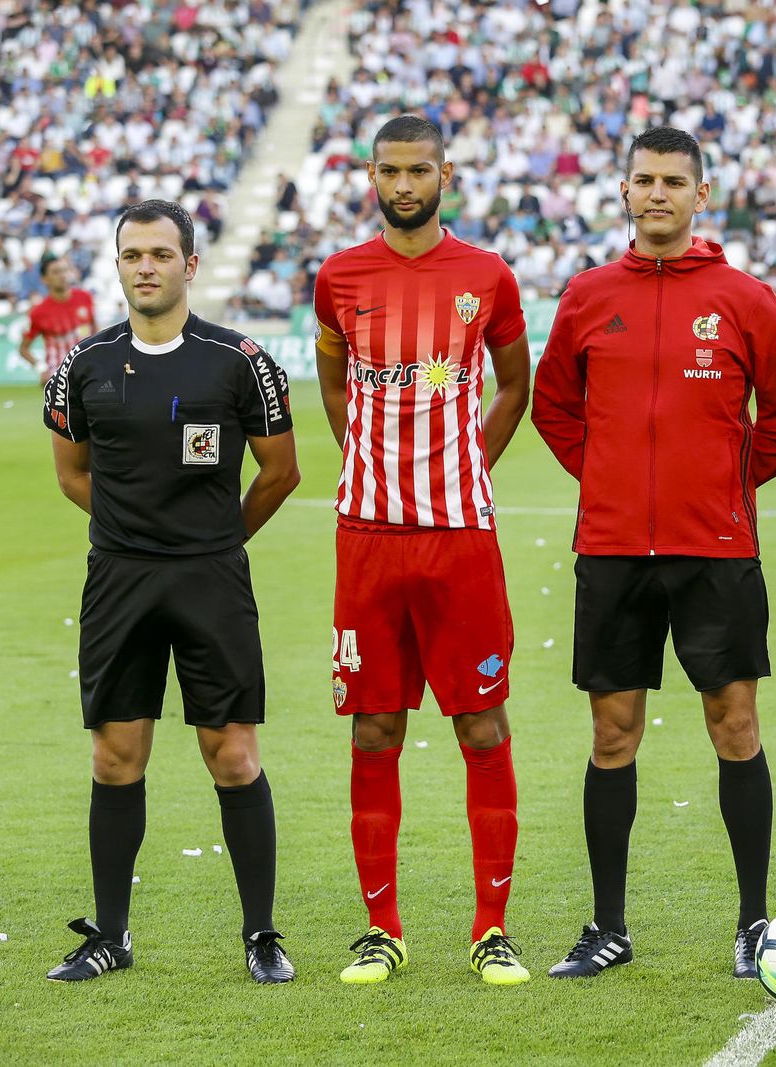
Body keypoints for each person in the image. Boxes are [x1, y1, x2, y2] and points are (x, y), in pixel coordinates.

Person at [532, 126, 776, 980]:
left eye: (673, 182)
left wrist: (726, 486)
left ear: (702, 195)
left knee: (734, 724)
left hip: (715, 550)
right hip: (614, 547)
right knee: (612, 732)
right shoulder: (587, 294)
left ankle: (753, 923)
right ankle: (607, 926)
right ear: (624, 193)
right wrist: (612, 479)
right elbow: (554, 408)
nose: (657, 194)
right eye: (643, 180)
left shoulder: (744, 297)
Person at [41, 199, 300, 984]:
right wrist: (138, 536)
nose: (145, 266)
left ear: (190, 265)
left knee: (233, 753)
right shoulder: (82, 366)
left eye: (160, 253)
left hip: (212, 578)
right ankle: (111, 935)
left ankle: (260, 935)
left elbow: (281, 471)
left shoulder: (240, 359)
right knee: (116, 756)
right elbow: (72, 475)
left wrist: (214, 542)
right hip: (119, 580)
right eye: (132, 254)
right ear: (117, 264)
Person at [312, 115, 533, 987]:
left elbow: (513, 380)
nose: (403, 185)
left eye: (418, 170)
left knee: (481, 721)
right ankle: (382, 927)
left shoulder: (487, 276)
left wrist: (469, 461)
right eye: (389, 171)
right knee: (375, 725)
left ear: (448, 173)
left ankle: (491, 926)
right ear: (372, 175)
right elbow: (333, 379)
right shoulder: (339, 276)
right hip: (366, 537)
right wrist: (364, 456)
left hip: (460, 537)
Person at [21, 252, 98, 385]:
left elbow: (95, 331)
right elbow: (24, 349)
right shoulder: (38, 312)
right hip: (59, 379)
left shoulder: (85, 297)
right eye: (56, 272)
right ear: (44, 279)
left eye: (64, 270)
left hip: (89, 371)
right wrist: (41, 369)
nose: (62, 275)